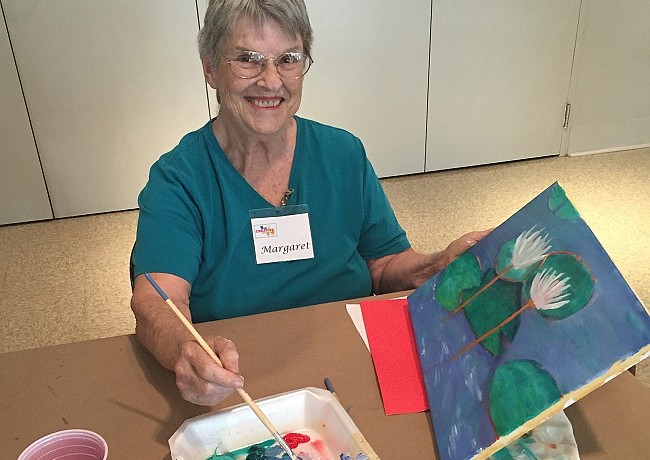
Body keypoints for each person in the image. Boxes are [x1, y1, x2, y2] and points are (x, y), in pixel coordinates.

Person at [130, 0, 489, 406]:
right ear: (210, 68)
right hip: (240, 382)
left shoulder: (343, 153)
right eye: (248, 60)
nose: (271, 81)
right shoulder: (180, 178)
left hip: (353, 368)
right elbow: (157, 301)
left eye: (288, 59)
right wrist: (186, 351)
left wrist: (437, 264)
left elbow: (385, 264)